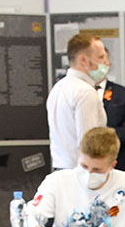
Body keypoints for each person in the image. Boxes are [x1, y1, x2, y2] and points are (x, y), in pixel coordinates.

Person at [47, 34, 109, 171]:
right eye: (101, 57)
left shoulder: (58, 88)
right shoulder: (85, 92)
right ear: (83, 60)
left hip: (60, 170)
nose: (106, 62)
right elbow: (89, 146)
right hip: (81, 172)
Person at [101, 78, 125, 175]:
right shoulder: (78, 90)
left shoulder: (121, 92)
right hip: (82, 157)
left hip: (117, 156)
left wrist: (107, 136)